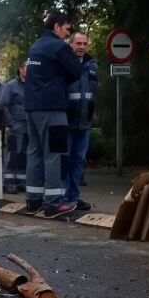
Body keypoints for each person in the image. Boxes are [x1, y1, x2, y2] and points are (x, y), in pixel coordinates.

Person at [24, 11, 82, 218]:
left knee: (35, 152)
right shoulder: (59, 46)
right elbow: (76, 71)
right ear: (56, 26)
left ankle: (33, 201)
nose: (68, 33)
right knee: (54, 154)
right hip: (52, 108)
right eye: (67, 29)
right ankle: (53, 204)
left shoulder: (36, 45)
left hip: (32, 108)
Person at [66, 31, 98, 210]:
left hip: (84, 121)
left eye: (85, 43)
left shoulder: (92, 64)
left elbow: (93, 92)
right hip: (68, 121)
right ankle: (63, 197)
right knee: (66, 159)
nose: (82, 47)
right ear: (71, 44)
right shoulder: (64, 63)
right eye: (78, 43)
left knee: (78, 160)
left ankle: (74, 197)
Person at [0, 58, 29, 194]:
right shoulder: (11, 86)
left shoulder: (33, 85)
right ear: (21, 69)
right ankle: (9, 182)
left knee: (25, 154)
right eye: (27, 67)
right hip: (16, 126)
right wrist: (11, 124)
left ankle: (21, 180)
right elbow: (3, 105)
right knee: (13, 154)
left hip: (29, 126)